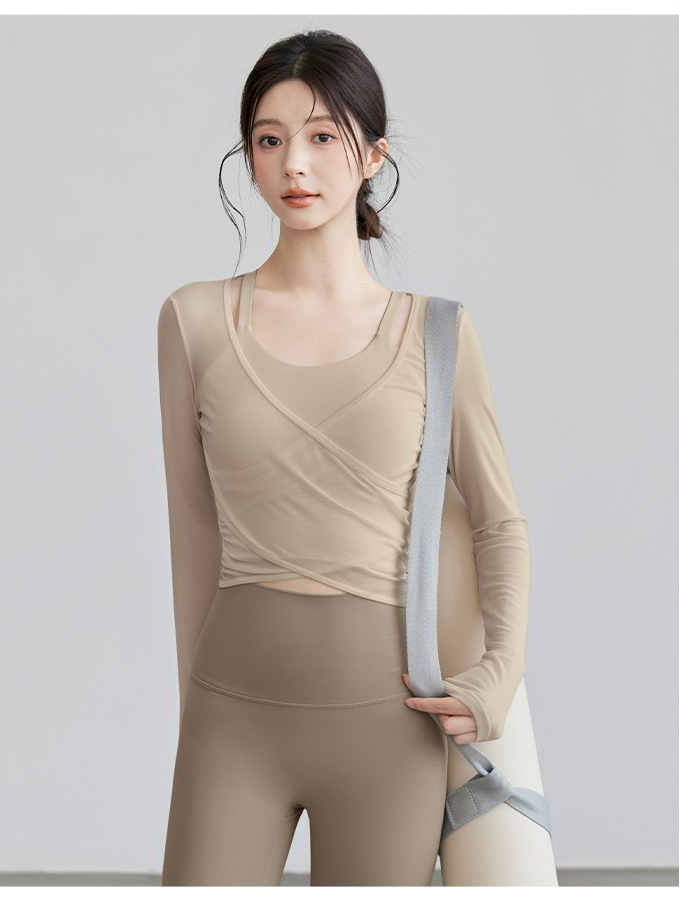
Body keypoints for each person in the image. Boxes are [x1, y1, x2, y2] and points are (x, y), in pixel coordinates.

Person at [157, 29, 534, 887]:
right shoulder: (193, 320)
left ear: (372, 156)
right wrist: (193, 716)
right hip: (230, 717)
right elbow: (193, 536)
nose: (295, 163)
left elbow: (500, 521)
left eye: (323, 136)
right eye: (269, 138)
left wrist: (499, 676)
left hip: (389, 725)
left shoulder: (438, 333)